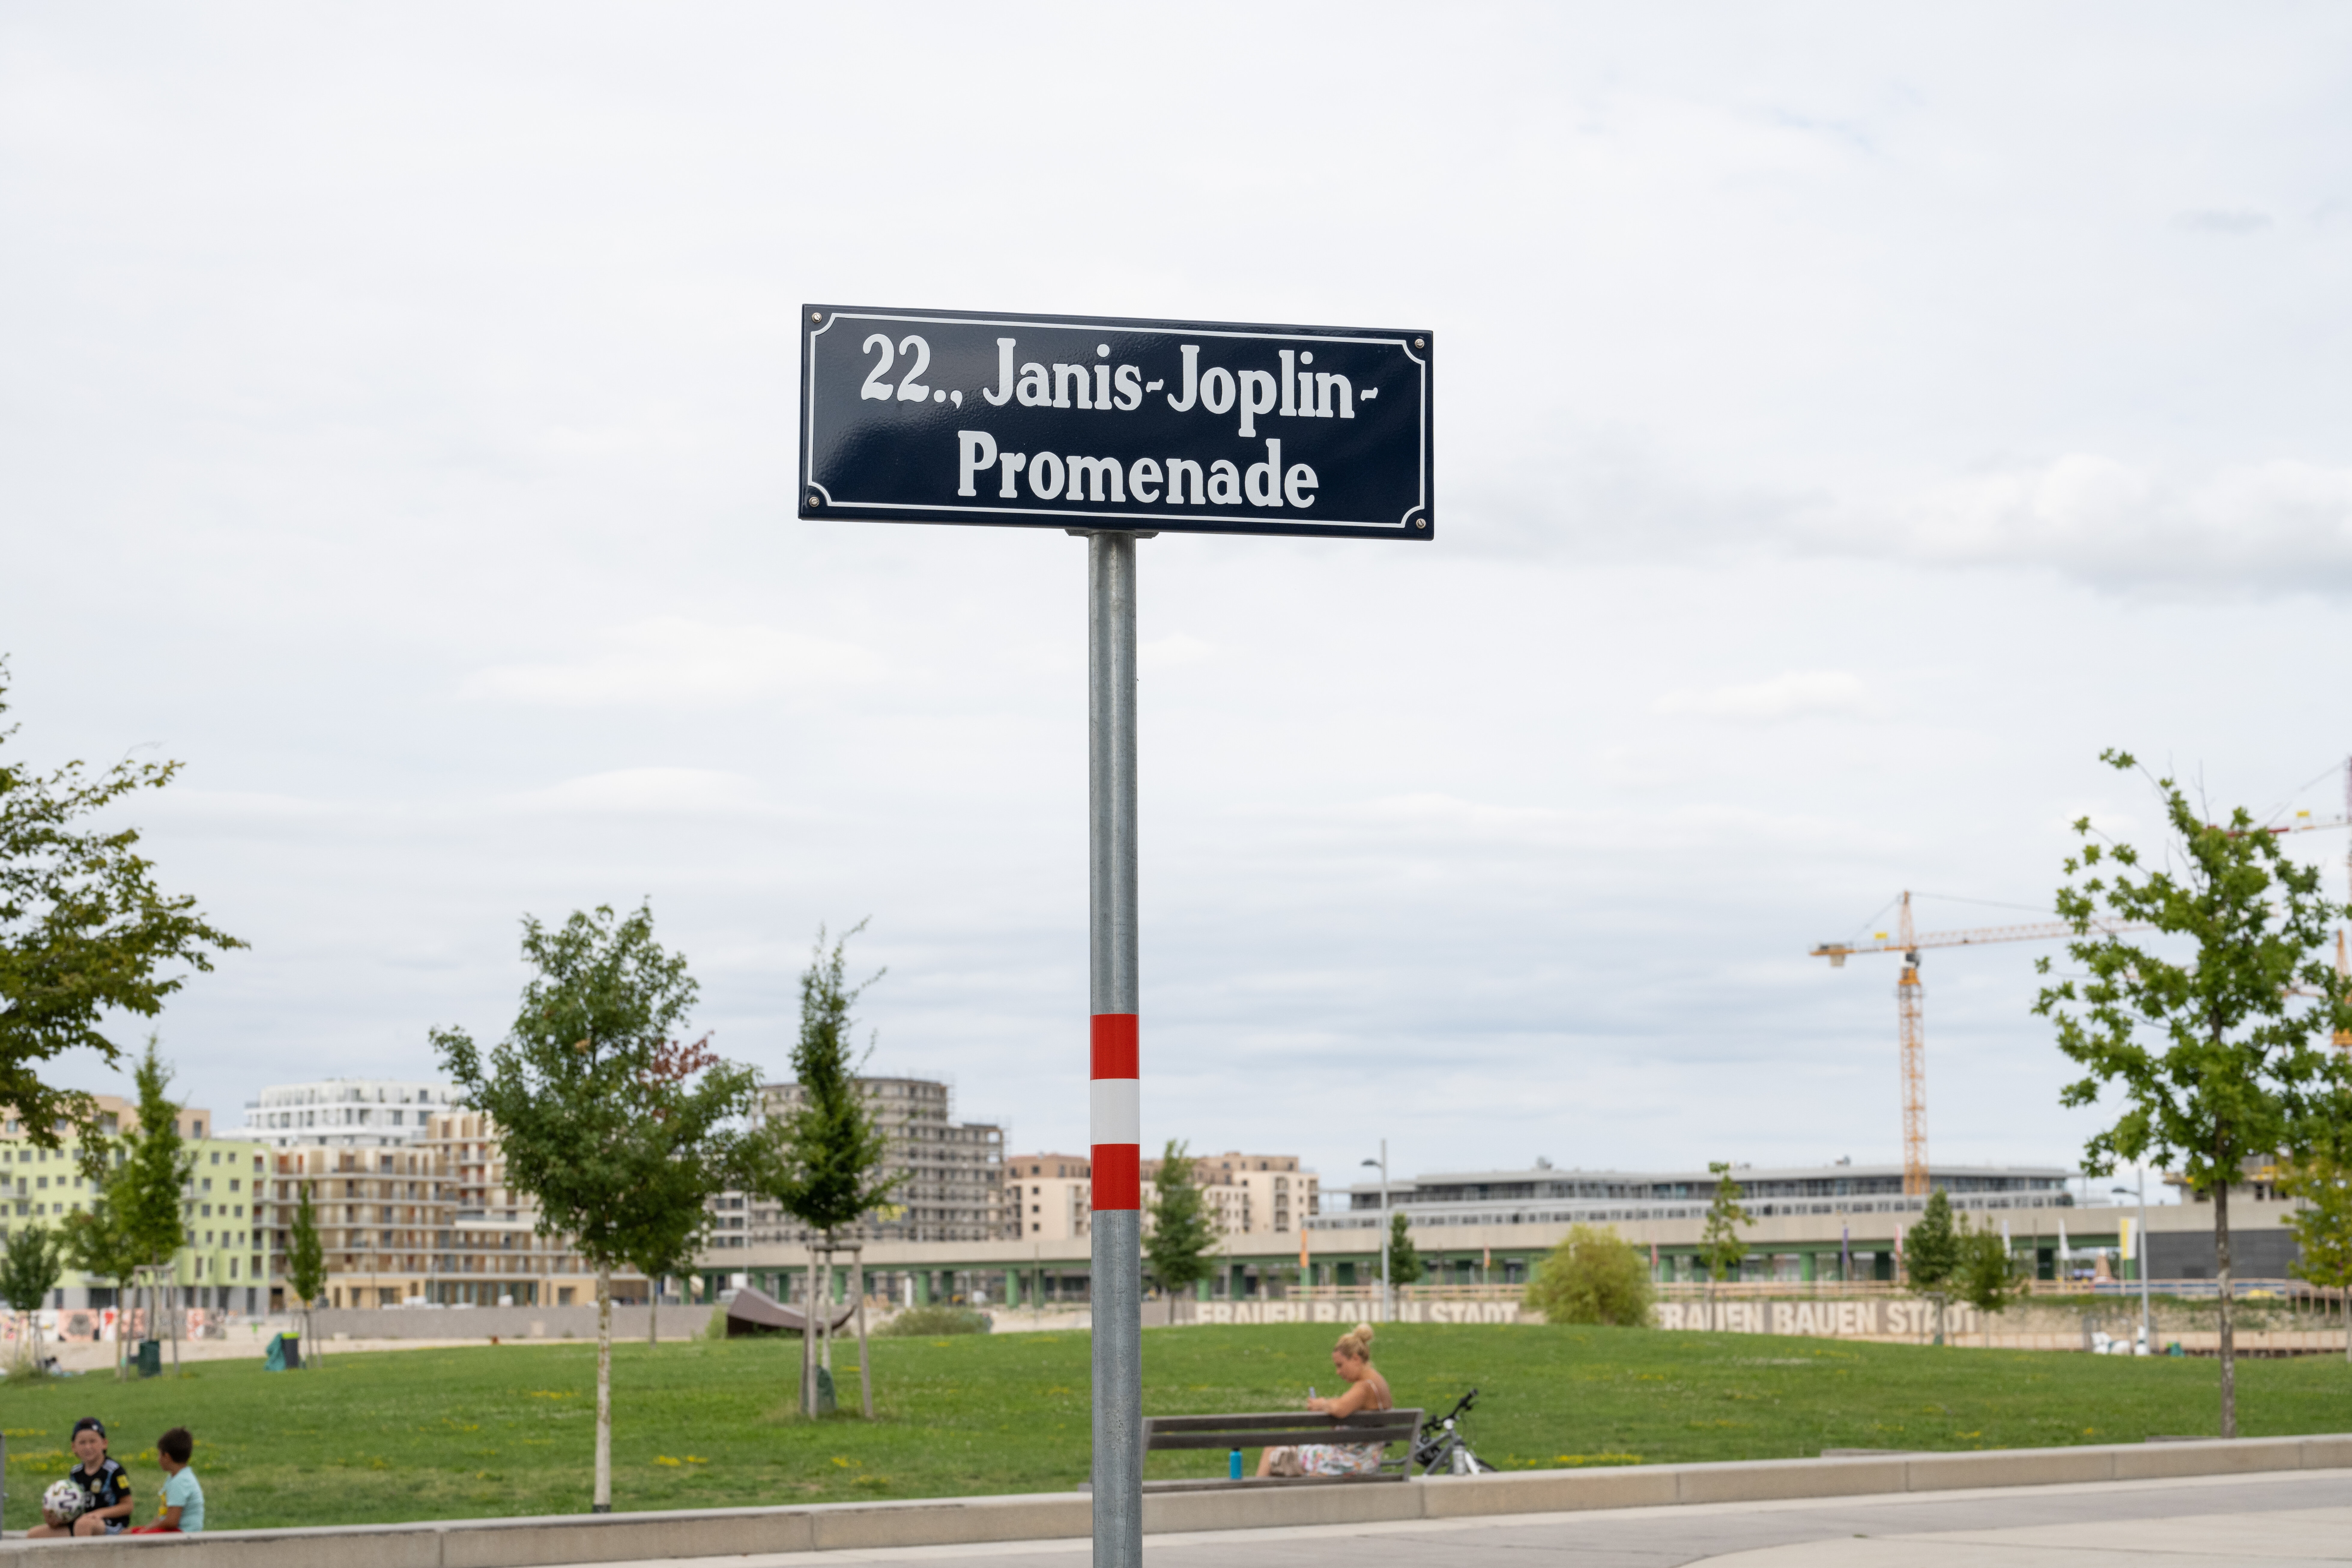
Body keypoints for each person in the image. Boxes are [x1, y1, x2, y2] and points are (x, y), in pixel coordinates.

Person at [1256, 1322, 1395, 1478]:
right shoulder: (1376, 1381)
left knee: (1272, 1451)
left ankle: (1252, 1498)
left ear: (1356, 1359)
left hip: (1352, 1462)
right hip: (1364, 1459)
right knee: (1285, 1454)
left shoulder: (1365, 1386)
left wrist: (1321, 1404)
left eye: (1341, 1365)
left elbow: (1340, 1409)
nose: (1338, 1372)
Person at [44, 1417, 135, 1536]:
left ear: (104, 1443)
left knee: (83, 1525)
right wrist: (59, 1519)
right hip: (82, 1523)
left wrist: (99, 1514)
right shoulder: (75, 1472)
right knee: (35, 1535)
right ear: (74, 1447)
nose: (88, 1447)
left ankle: (82, 1555)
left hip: (111, 1526)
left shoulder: (114, 1471)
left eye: (93, 1442)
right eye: (82, 1443)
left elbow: (128, 1506)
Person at [129, 1428, 204, 1534]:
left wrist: (154, 1525)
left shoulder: (180, 1482)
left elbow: (172, 1522)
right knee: (126, 1534)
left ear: (167, 1457)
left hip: (183, 1533)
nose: (158, 1458)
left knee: (136, 1538)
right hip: (175, 1530)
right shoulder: (179, 1477)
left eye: (160, 1454)